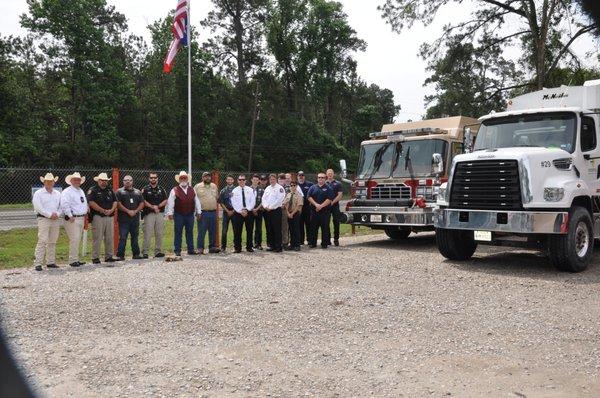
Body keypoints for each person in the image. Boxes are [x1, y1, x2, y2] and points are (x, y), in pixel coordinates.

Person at [167, 171, 202, 256]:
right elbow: (171, 202)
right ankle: (177, 250)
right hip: (179, 214)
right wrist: (170, 213)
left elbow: (196, 200)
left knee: (189, 232)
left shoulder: (192, 189)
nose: (183, 179)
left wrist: (199, 211)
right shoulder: (174, 190)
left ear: (187, 179)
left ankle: (190, 250)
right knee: (178, 232)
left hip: (190, 214)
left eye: (184, 178)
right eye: (181, 178)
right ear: (179, 180)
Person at [32, 173, 62, 271]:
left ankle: (50, 262)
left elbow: (61, 206)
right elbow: (38, 207)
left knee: (53, 241)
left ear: (54, 182)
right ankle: (38, 263)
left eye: (51, 181)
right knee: (42, 240)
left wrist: (57, 214)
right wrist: (49, 215)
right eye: (47, 181)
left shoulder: (58, 194)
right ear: (44, 182)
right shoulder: (38, 193)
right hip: (43, 219)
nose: (49, 183)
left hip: (55, 219)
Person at [87, 172, 118, 264]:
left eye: (105, 180)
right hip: (98, 217)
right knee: (97, 237)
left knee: (109, 237)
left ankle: (109, 256)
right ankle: (95, 257)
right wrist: (102, 210)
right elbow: (91, 202)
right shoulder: (93, 190)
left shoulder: (110, 190)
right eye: (102, 180)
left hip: (109, 216)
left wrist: (111, 210)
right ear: (98, 181)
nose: (104, 182)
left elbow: (115, 201)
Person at [61, 172, 88, 267]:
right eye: (75, 179)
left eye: (78, 180)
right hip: (73, 218)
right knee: (74, 239)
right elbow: (64, 204)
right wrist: (69, 215)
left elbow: (83, 203)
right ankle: (72, 260)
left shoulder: (80, 190)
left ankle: (75, 258)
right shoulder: (67, 191)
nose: (77, 181)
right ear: (71, 181)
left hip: (81, 217)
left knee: (77, 239)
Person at [115, 175, 144, 260]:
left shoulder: (138, 192)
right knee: (123, 237)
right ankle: (120, 255)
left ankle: (136, 254)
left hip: (135, 219)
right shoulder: (119, 192)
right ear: (123, 181)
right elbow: (118, 204)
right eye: (126, 180)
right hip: (123, 219)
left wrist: (135, 211)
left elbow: (142, 203)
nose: (128, 181)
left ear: (132, 181)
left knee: (135, 237)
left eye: (130, 180)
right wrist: (128, 211)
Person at [141, 172, 168, 258]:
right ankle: (145, 252)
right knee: (147, 233)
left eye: (155, 178)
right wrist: (153, 207)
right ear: (149, 179)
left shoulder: (161, 189)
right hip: (149, 214)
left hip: (159, 213)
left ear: (157, 179)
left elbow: (165, 200)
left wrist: (158, 206)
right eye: (151, 178)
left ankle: (158, 251)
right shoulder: (145, 189)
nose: (153, 179)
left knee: (159, 233)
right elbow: (143, 201)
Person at [194, 172, 220, 254]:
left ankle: (212, 247)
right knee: (201, 231)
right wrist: (197, 212)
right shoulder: (197, 186)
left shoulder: (214, 186)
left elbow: (217, 197)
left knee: (212, 231)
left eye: (208, 177)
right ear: (202, 178)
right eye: (205, 177)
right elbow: (194, 200)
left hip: (213, 212)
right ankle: (200, 248)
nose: (207, 178)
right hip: (202, 212)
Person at [307, 172, 334, 248]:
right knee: (313, 228)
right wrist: (316, 205)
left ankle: (324, 244)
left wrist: (321, 206)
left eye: (322, 177)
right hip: (314, 211)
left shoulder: (329, 188)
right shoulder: (313, 187)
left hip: (325, 212)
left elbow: (329, 199)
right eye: (319, 177)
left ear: (325, 179)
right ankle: (312, 243)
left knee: (325, 228)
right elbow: (309, 197)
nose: (320, 179)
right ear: (317, 178)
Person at [231, 174, 256, 253]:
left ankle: (249, 247)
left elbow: (253, 201)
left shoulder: (250, 190)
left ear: (245, 181)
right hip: (238, 213)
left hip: (249, 212)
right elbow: (233, 202)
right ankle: (237, 248)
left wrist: (247, 210)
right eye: (240, 179)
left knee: (250, 230)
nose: (241, 181)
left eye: (243, 179)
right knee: (237, 231)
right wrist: (240, 211)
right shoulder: (234, 191)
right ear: (237, 181)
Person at [262, 174, 286, 252]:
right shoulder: (267, 188)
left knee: (277, 229)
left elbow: (279, 200)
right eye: (271, 179)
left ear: (276, 179)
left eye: (273, 179)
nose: (272, 180)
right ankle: (271, 245)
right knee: (269, 228)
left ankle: (278, 246)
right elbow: (263, 198)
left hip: (276, 211)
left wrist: (271, 207)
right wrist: (265, 206)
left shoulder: (280, 188)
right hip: (267, 211)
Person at [283, 179, 303, 251]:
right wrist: (288, 213)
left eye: (294, 185)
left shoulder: (299, 195)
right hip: (288, 214)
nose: (292, 187)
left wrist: (292, 213)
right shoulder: (288, 194)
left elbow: (299, 206)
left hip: (295, 213)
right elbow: (284, 204)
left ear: (296, 186)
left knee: (296, 229)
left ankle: (297, 245)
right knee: (291, 230)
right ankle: (292, 244)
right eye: (291, 186)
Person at [326, 168, 343, 246]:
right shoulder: (324, 183)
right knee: (326, 222)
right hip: (326, 206)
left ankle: (336, 238)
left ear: (333, 174)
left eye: (331, 173)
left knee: (336, 222)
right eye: (328, 173)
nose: (330, 174)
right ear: (326, 174)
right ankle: (327, 239)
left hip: (335, 205)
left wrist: (332, 202)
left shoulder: (338, 183)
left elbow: (340, 195)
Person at [218, 174, 235, 252]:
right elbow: (221, 202)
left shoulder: (236, 190)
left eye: (231, 179)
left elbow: (239, 202)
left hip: (235, 212)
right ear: (226, 180)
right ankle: (223, 247)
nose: (229, 181)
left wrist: (233, 210)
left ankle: (236, 246)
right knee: (224, 230)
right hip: (226, 212)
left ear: (233, 180)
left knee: (236, 230)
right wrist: (228, 211)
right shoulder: (223, 190)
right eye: (228, 179)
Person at [297, 171, 313, 245]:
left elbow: (314, 194)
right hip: (299, 207)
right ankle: (301, 240)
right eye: (299, 175)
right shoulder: (295, 185)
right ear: (297, 176)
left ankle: (310, 240)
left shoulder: (310, 184)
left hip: (307, 207)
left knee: (308, 223)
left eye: (302, 175)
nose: (301, 177)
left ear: (304, 176)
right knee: (300, 224)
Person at [250, 174, 265, 250]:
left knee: (258, 228)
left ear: (259, 181)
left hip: (259, 211)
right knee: (250, 227)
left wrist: (257, 209)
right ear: (251, 180)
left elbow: (263, 201)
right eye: (254, 179)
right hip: (251, 211)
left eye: (257, 180)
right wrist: (253, 209)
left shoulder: (262, 190)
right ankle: (250, 244)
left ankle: (258, 244)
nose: (255, 181)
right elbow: (247, 200)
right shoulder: (248, 189)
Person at [278, 173, 291, 249]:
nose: (281, 180)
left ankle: (285, 243)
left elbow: (289, 198)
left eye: (282, 179)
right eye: (279, 179)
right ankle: (278, 242)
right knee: (277, 226)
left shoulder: (288, 188)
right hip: (276, 209)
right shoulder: (275, 187)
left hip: (284, 209)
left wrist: (284, 204)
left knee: (285, 226)